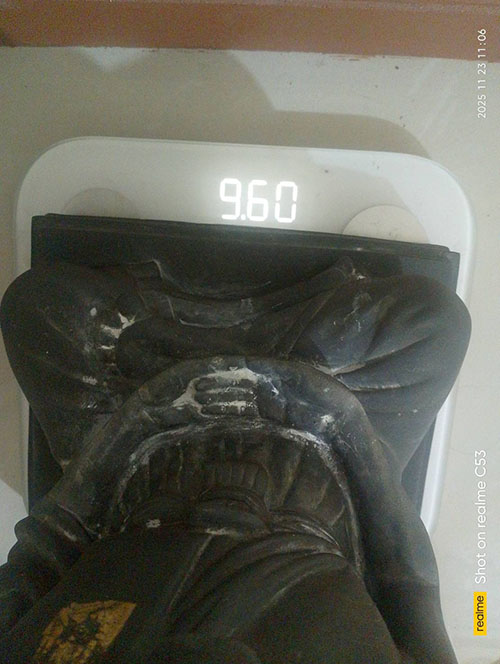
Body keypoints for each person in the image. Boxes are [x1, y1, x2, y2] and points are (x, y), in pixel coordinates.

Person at [0, 253, 470, 663]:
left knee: (40, 306)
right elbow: (408, 580)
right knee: (435, 323)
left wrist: (139, 419)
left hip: (138, 456)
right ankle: (239, 343)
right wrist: (336, 417)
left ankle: (190, 341)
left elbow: (46, 548)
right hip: (318, 458)